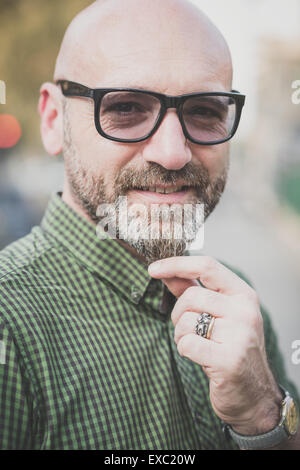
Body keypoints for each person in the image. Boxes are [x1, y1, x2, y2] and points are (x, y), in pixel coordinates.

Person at [0, 0, 299, 450]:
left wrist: (263, 415)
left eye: (204, 111)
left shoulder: (238, 303)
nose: (173, 152)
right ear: (53, 120)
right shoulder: (9, 327)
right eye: (126, 108)